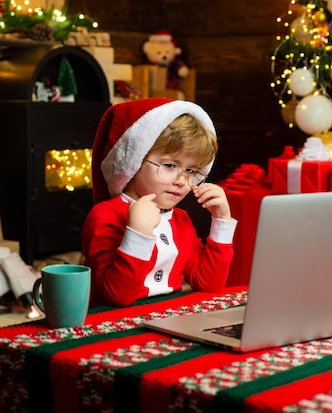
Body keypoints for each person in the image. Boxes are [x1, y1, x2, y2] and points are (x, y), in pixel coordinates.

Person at [82, 98, 238, 307]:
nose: (181, 181)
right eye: (169, 165)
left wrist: (222, 221)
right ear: (133, 162)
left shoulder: (181, 219)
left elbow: (208, 283)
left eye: (191, 170)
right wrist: (138, 233)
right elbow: (115, 296)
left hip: (166, 318)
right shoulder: (105, 215)